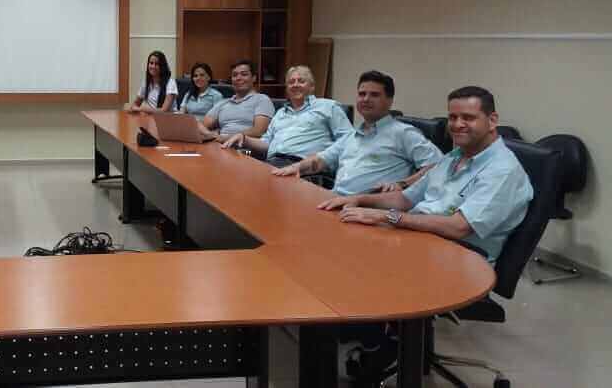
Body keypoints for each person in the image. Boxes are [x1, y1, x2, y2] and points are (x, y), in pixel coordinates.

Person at [317, 86, 533, 384]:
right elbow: (405, 199)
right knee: (338, 246)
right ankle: (379, 337)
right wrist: (359, 199)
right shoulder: (455, 157)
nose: (457, 124)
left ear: (492, 120)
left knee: (353, 267)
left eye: (468, 117)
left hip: (462, 261)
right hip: (421, 241)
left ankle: (381, 344)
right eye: (453, 117)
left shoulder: (502, 170)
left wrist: (388, 217)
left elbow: (459, 227)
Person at [271, 71, 442, 195]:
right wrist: (296, 167)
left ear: (389, 100)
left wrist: (403, 185)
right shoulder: (351, 136)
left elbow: (439, 165)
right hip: (335, 201)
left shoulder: (403, 133)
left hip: (371, 210)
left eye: (374, 95)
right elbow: (320, 160)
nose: (366, 99)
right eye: (362, 94)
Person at [223, 65, 352, 167]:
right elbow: (266, 143)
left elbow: (348, 138)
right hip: (273, 164)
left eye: (301, 81)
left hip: (305, 167)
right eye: (291, 82)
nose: (295, 85)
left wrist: (322, 159)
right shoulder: (280, 113)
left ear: (312, 86)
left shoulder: (328, 106)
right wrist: (244, 138)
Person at [199, 60, 274, 143]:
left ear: (253, 78)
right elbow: (202, 125)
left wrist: (224, 138)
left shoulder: (262, 99)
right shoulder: (223, 103)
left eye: (244, 74)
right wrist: (211, 135)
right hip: (219, 145)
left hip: (244, 146)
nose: (238, 78)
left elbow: (259, 131)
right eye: (235, 75)